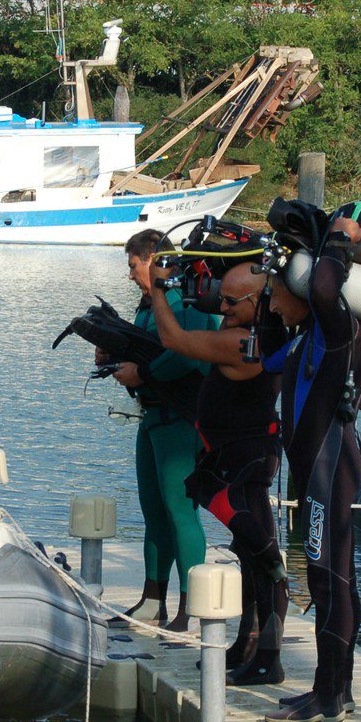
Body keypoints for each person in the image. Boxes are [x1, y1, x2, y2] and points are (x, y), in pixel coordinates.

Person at [260, 210, 361, 722]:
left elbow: (326, 290)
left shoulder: (332, 328)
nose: (271, 304)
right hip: (320, 473)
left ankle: (327, 695)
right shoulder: (306, 339)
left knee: (328, 578)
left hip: (330, 471)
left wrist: (337, 240)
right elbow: (260, 357)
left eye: (276, 295)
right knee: (332, 576)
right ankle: (337, 689)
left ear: (300, 291)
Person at [147, 260, 288, 679]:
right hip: (238, 455)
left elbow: (172, 338)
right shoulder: (257, 331)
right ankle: (248, 645)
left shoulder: (242, 341)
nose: (221, 306)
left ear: (258, 301)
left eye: (230, 300)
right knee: (250, 556)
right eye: (220, 297)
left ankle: (268, 659)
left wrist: (158, 289)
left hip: (245, 460)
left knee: (263, 560)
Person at [107, 230, 217, 631]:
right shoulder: (151, 301)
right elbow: (145, 345)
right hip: (152, 417)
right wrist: (113, 352)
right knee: (154, 512)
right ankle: (153, 601)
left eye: (134, 266)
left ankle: (193, 604)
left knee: (180, 512)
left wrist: (143, 372)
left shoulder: (184, 296)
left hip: (181, 420)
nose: (132, 275)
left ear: (152, 257)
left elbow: (187, 354)